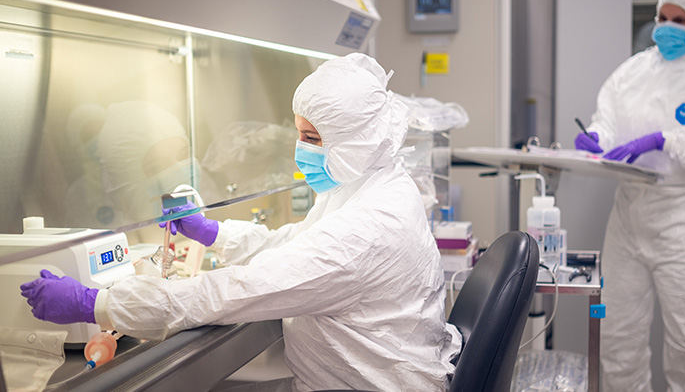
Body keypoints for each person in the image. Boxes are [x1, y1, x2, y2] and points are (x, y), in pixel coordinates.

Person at [20, 53, 462, 392]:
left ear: (357, 140)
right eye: (298, 133)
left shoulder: (368, 226)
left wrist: (98, 305)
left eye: (311, 138)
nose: (298, 150)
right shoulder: (373, 183)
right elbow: (298, 243)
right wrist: (215, 234)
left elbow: (232, 292)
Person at [574, 0, 685, 391]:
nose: (667, 27)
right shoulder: (634, 71)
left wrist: (665, 140)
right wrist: (597, 138)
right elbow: (607, 122)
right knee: (616, 336)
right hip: (629, 219)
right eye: (663, 17)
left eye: (680, 20)